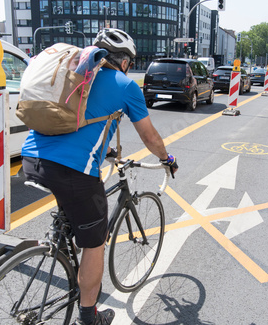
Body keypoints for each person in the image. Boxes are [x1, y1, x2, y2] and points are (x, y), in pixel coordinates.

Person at [21, 28, 178, 325]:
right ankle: (88, 316)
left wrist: (103, 150)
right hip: (73, 172)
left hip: (31, 158)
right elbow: (150, 136)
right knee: (94, 243)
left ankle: (60, 245)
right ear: (125, 62)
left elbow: (78, 119)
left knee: (73, 215)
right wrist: (166, 159)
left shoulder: (76, 74)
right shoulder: (125, 84)